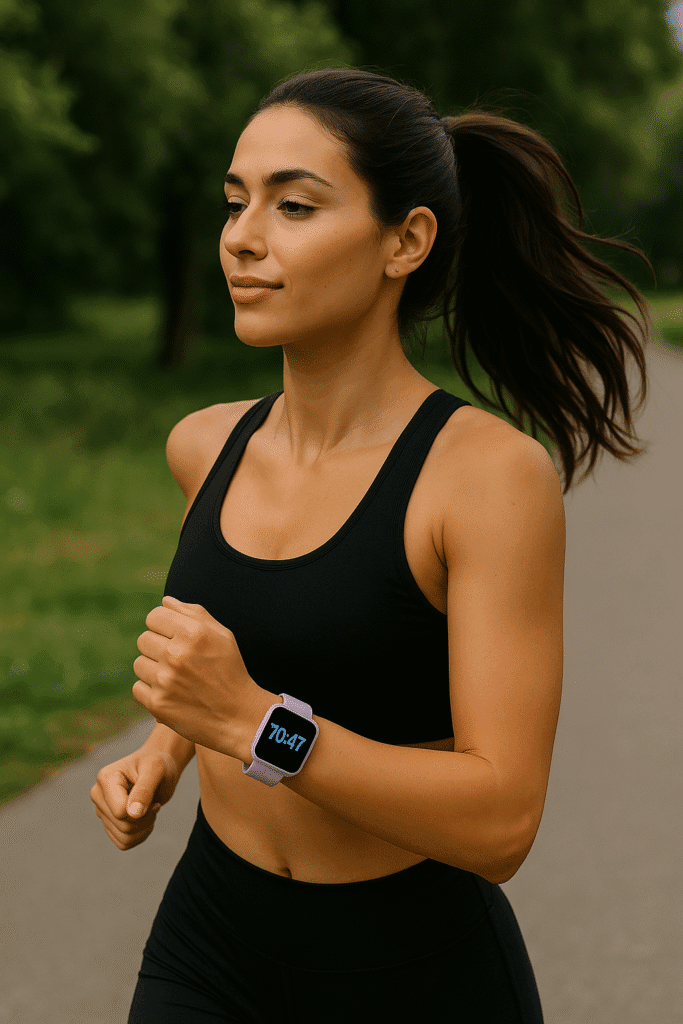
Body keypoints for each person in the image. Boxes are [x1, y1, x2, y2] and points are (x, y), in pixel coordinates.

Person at [90, 66, 654, 1023]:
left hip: (412, 972)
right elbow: (248, 647)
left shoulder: (485, 479)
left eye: (293, 205)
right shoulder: (205, 445)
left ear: (406, 241)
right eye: (235, 201)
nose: (242, 237)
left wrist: (255, 725)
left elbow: (501, 822)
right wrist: (167, 749)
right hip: (209, 944)